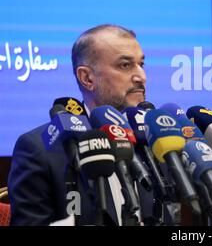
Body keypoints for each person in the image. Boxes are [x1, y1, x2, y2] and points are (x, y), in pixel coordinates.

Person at [7, 24, 152, 226]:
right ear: (87, 78)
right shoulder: (40, 150)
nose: (141, 77)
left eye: (141, 65)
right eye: (125, 65)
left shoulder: (152, 142)